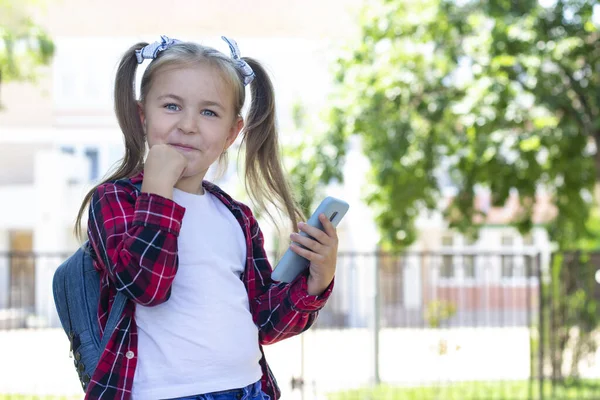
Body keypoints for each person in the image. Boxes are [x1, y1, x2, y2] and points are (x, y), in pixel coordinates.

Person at [73, 36, 338, 400]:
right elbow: (146, 287)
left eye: (209, 112)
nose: (188, 125)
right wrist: (157, 190)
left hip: (248, 390)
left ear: (231, 133)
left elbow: (265, 323)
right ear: (142, 116)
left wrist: (316, 283)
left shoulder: (237, 217)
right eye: (171, 106)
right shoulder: (116, 199)